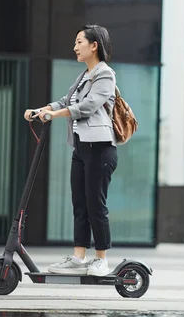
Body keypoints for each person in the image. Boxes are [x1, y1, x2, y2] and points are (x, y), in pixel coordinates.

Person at [24, 24, 118, 277]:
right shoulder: (83, 76)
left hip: (100, 149)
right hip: (81, 147)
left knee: (96, 205)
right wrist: (40, 109)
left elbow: (86, 107)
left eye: (79, 42)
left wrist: (54, 114)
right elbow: (66, 102)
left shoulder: (105, 75)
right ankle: (79, 256)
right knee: (80, 204)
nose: (75, 47)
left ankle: (101, 258)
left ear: (94, 45)